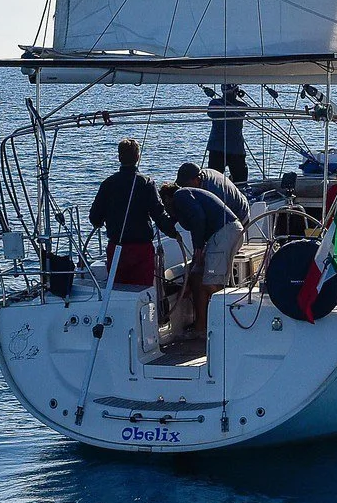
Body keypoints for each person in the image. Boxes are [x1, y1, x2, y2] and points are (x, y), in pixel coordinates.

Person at [88, 137, 178, 287]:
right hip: (141, 249)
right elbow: (158, 215)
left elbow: (94, 218)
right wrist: (173, 231)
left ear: (119, 157)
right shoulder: (146, 183)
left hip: (116, 248)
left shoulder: (108, 184)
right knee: (143, 291)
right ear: (138, 157)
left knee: (117, 291)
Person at [160, 179, 245, 335]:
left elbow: (198, 218)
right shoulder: (184, 202)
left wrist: (198, 247)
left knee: (209, 282)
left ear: (167, 199)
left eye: (165, 206)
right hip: (224, 233)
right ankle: (201, 327)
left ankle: (235, 320)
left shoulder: (181, 195)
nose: (167, 210)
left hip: (224, 232)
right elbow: (172, 222)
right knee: (197, 277)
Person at [206, 82, 248, 185]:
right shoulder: (241, 106)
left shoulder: (214, 103)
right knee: (240, 180)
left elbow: (210, 113)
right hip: (235, 148)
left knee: (213, 179)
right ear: (235, 91)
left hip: (217, 147)